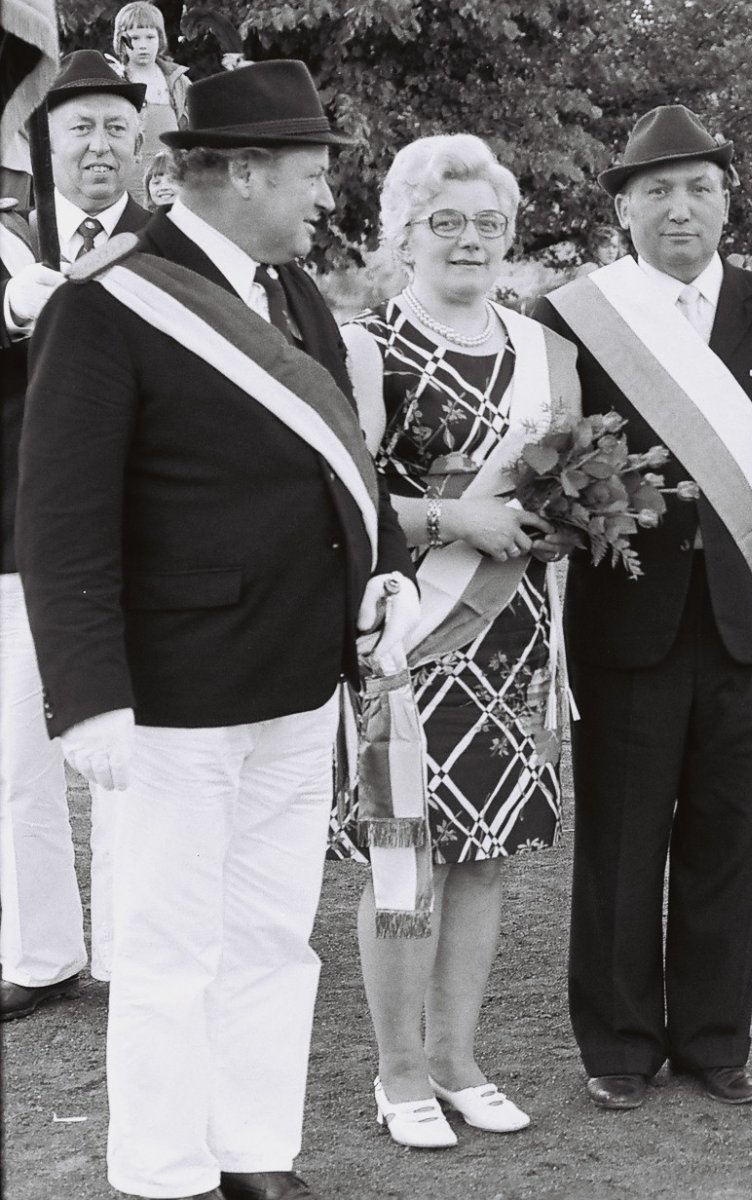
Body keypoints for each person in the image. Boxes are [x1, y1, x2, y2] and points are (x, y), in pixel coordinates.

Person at [17, 59, 419, 1200]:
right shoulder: (105, 301)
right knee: (167, 949)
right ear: (242, 172)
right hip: (173, 695)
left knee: (270, 937)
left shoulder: (291, 294)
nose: (325, 197)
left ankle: (253, 1152)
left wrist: (385, 569)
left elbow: (342, 458)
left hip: (298, 673)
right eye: (309, 173)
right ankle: (164, 1173)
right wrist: (88, 694)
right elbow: (62, 519)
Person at [530, 105, 752, 1110]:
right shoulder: (575, 317)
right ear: (622, 209)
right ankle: (619, 1046)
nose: (680, 208)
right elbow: (545, 457)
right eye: (656, 190)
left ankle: (715, 1040)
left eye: (699, 188)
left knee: (732, 832)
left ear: (726, 202)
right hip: (628, 615)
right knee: (622, 839)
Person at [333, 134, 580, 1148]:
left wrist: (562, 521)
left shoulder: (543, 349)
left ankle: (456, 1059)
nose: (470, 239)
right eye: (446, 221)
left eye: (488, 222)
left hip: (513, 630)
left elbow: (561, 484)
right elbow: (343, 499)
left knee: (487, 853)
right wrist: (453, 519)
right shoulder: (366, 345)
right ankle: (398, 1071)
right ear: (403, 233)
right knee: (408, 854)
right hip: (411, 630)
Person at [0, 50, 155, 1023]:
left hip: (142, 541)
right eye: (78, 128)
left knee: (130, 758)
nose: (98, 145)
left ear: (138, 142)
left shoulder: (172, 244)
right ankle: (42, 951)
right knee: (16, 758)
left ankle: (135, 949)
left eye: (114, 128)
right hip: (17, 538)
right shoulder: (10, 243)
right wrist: (17, 305)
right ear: (43, 142)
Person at [107, 2, 191, 206]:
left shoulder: (178, 81)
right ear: (121, 42)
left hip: (167, 184)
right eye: (135, 38)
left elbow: (193, 135)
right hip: (125, 184)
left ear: (160, 38)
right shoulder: (113, 82)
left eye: (150, 37)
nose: (143, 45)